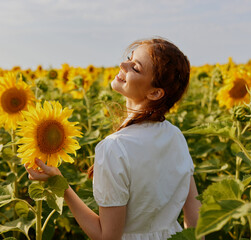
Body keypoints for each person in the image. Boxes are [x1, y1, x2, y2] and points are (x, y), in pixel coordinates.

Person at [25, 37, 202, 240]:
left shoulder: (115, 148)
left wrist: (62, 186)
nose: (122, 65)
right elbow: (194, 212)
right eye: (129, 58)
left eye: (135, 67)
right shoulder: (176, 136)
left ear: (155, 92)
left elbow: (107, 237)